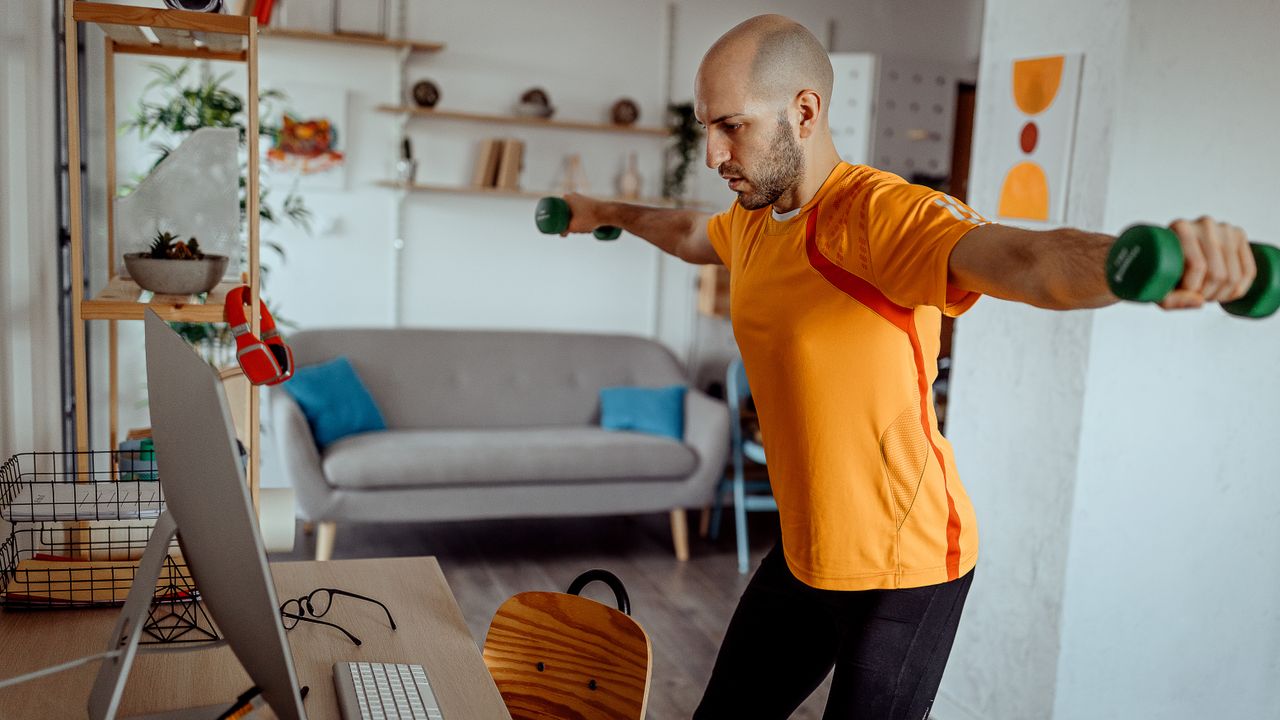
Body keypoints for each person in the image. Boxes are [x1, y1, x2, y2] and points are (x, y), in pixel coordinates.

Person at [557, 14, 1256, 720]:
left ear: (804, 111)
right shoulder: (751, 223)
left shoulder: (880, 216)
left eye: (731, 126)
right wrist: (604, 210)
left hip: (906, 567)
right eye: (707, 127)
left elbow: (1026, 260)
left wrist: (1141, 262)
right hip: (805, 554)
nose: (713, 154)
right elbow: (686, 231)